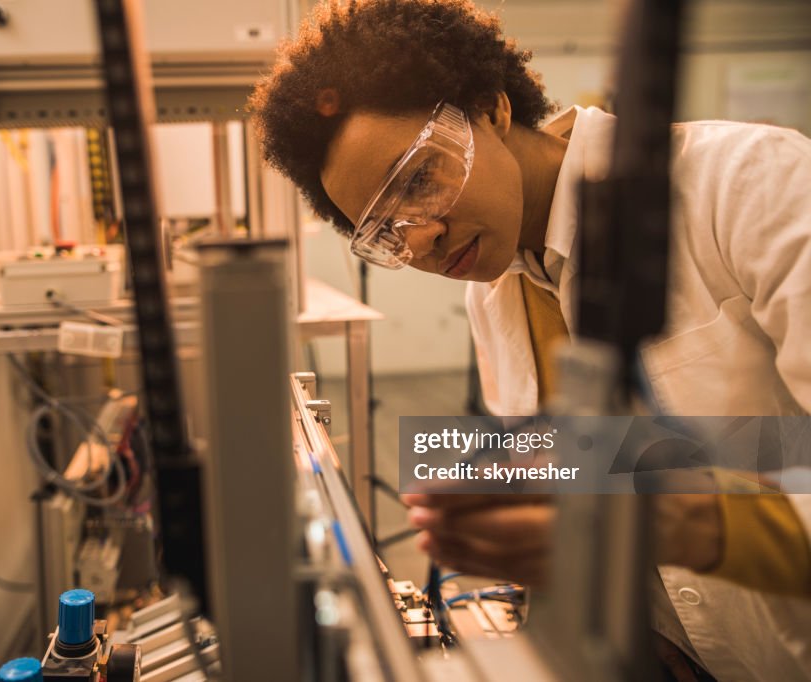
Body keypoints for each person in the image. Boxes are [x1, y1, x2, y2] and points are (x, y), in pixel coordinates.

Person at [247, 1, 811, 680]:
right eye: (387, 230)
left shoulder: (752, 183)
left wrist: (688, 519)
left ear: (491, 108)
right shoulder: (492, 296)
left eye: (420, 178)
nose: (420, 237)